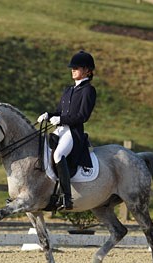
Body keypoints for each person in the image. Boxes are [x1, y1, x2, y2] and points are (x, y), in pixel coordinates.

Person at [37, 50, 96, 210]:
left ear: (87, 71)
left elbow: (83, 116)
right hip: (60, 130)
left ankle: (66, 198)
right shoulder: (68, 90)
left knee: (58, 155)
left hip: (73, 132)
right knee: (42, 151)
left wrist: (61, 119)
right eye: (73, 67)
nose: (73, 69)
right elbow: (59, 111)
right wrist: (49, 115)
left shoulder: (88, 91)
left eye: (77, 67)